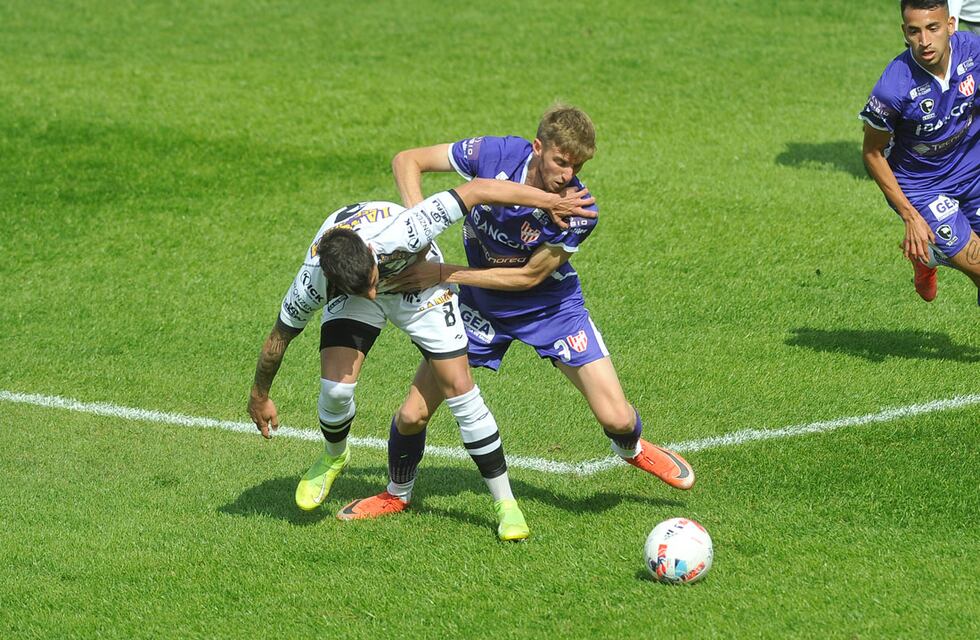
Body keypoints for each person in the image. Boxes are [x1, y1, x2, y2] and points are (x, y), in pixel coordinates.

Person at [340, 104, 695, 520]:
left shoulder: (577, 208)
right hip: (480, 307)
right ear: (538, 147)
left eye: (577, 165)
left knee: (617, 418)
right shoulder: (493, 156)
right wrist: (422, 231)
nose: (568, 174)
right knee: (413, 414)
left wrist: (439, 272)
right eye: (561, 161)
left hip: (550, 308)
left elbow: (528, 278)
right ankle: (397, 494)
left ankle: (632, 449)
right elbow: (408, 160)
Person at [247, 177, 595, 541]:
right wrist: (259, 394)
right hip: (354, 281)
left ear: (370, 251)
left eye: (371, 281)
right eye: (361, 289)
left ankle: (506, 505)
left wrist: (546, 202)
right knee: (335, 391)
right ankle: (334, 456)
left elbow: (476, 190)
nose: (371, 291)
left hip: (416, 282)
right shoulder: (313, 281)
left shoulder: (404, 232)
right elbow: (278, 338)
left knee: (460, 388)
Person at [860, 0, 980, 304]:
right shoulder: (892, 88)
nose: (924, 41)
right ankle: (934, 249)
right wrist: (910, 216)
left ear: (951, 25)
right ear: (904, 32)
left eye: (932, 28)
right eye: (914, 31)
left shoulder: (974, 52)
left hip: (972, 174)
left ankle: (930, 254)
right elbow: (872, 153)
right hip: (924, 190)